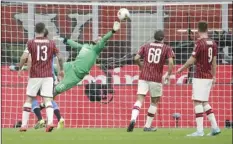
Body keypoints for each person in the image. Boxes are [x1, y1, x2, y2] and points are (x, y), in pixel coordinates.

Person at [177, 21, 220, 136]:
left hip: (200, 76)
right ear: (207, 29)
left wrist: (182, 68)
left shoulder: (200, 43)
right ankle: (215, 128)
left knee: (197, 101)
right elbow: (214, 62)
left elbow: (192, 59)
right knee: (205, 101)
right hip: (209, 76)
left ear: (198, 29)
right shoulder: (213, 43)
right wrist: (214, 75)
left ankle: (200, 130)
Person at [53, 21, 120, 96]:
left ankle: (43, 104)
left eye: (100, 40)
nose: (99, 39)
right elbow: (76, 45)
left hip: (74, 76)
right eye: (99, 38)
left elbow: (104, 39)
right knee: (51, 68)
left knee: (57, 90)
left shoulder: (95, 50)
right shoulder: (85, 46)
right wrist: (64, 40)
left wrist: (113, 31)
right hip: (70, 66)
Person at [18, 22, 64, 132]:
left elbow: (24, 57)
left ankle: (24, 125)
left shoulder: (30, 43)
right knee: (48, 99)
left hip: (35, 75)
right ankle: (50, 123)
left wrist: (20, 68)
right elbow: (60, 57)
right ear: (44, 30)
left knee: (29, 99)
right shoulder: (51, 43)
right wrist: (61, 70)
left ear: (35, 31)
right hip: (48, 75)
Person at [127, 30, 174, 132]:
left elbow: (136, 58)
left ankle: (133, 119)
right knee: (154, 102)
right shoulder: (167, 48)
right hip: (156, 78)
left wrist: (141, 67)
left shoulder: (146, 46)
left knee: (139, 99)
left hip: (144, 76)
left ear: (154, 37)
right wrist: (168, 74)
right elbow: (171, 62)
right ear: (163, 38)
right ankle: (147, 126)